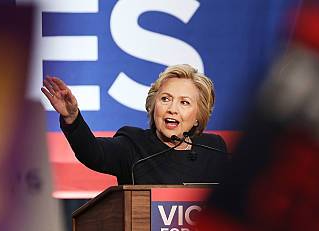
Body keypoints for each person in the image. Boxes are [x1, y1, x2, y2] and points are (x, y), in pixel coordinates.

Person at [41, 64, 227, 185]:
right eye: (165, 99)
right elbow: (93, 153)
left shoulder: (214, 150)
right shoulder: (133, 145)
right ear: (153, 106)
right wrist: (73, 117)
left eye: (184, 102)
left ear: (198, 116)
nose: (172, 109)